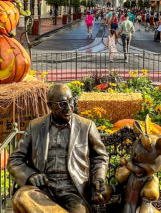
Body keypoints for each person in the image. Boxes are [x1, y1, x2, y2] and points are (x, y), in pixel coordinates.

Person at [8, 84, 109, 213]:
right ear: (49, 106)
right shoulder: (35, 127)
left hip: (73, 191)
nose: (69, 107)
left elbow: (100, 157)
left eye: (71, 101)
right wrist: (30, 175)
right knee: (21, 196)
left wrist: (98, 179)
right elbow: (15, 160)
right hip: (44, 189)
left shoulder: (86, 126)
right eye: (62, 104)